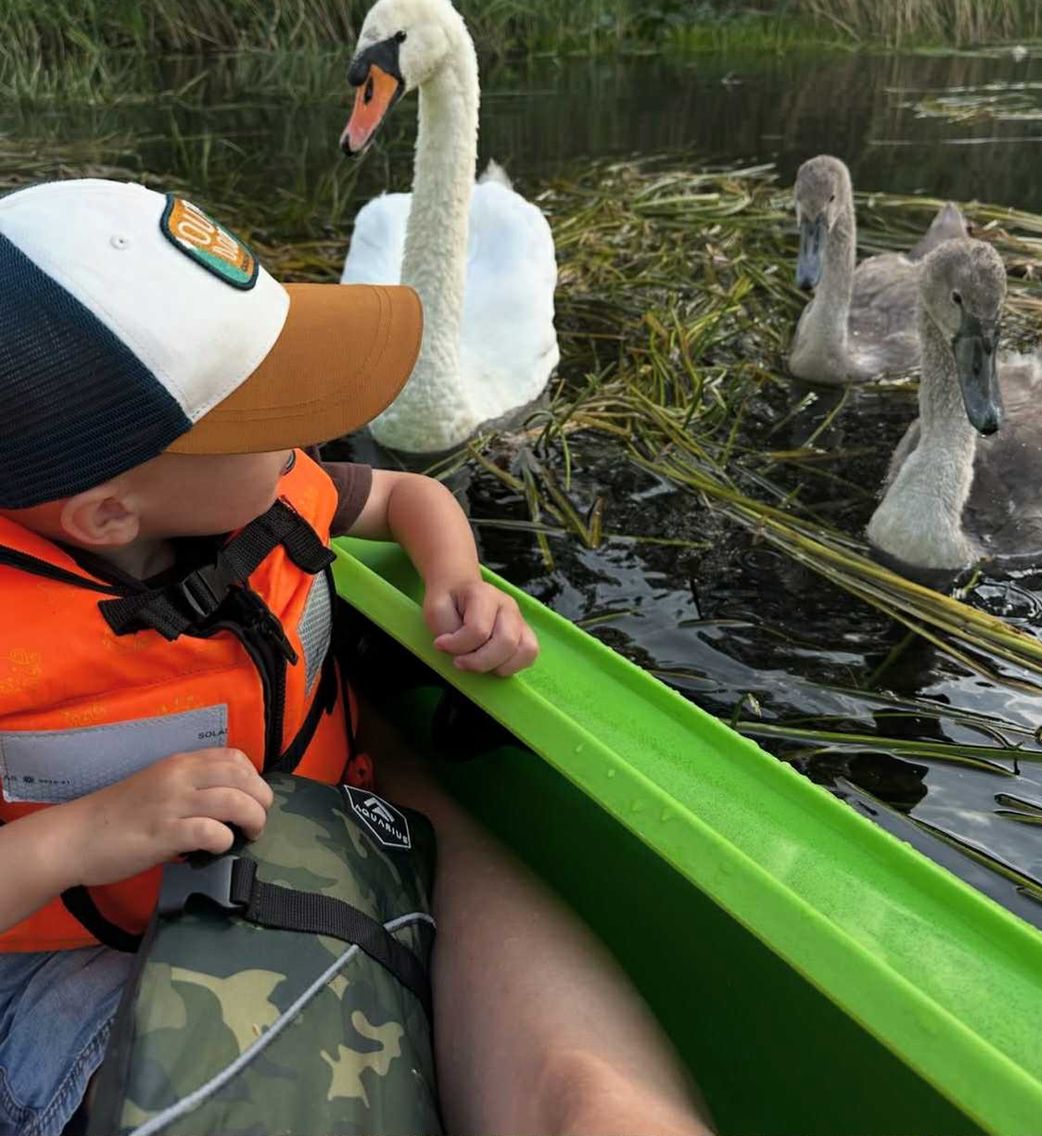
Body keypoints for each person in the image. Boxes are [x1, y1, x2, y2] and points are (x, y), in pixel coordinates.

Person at [0, 178, 711, 1136]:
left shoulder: (252, 493)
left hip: (321, 858)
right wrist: (84, 836)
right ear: (110, 515)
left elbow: (409, 498)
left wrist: (456, 577)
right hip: (63, 961)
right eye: (269, 414)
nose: (309, 433)